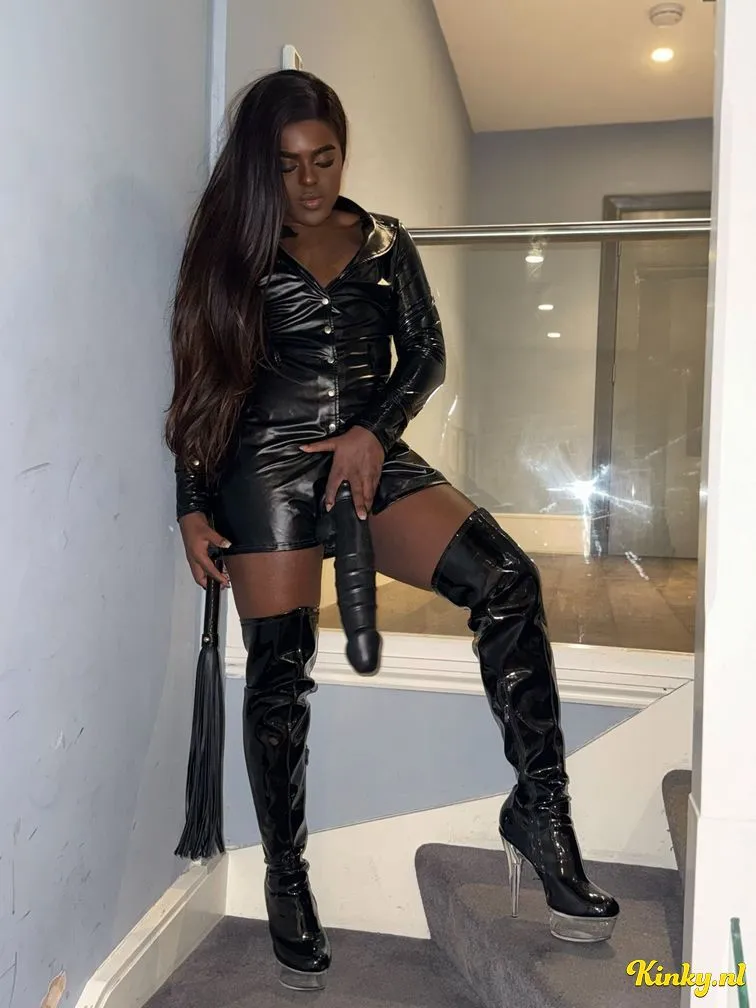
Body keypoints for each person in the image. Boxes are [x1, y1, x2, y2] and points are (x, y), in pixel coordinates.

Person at [165, 69, 619, 992]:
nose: (309, 180)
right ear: (261, 164)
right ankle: (287, 877)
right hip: (267, 465)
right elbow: (204, 374)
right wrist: (192, 500)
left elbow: (428, 354)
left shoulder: (384, 239)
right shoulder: (231, 244)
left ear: (344, 150)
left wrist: (374, 431)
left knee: (507, 580)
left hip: (371, 452)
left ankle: (541, 815)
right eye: (288, 164)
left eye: (324, 157)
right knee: (281, 674)